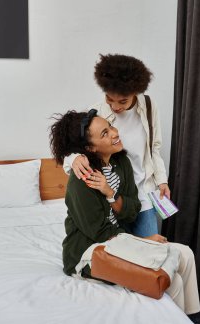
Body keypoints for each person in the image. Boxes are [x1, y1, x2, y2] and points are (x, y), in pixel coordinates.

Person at [50, 109, 200, 315]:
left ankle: (192, 317)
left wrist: (110, 193)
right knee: (171, 280)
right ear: (90, 148)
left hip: (118, 241)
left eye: (110, 127)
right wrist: (145, 241)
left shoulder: (121, 163)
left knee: (186, 255)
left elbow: (132, 212)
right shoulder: (81, 181)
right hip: (90, 253)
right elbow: (100, 234)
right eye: (104, 133)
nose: (114, 133)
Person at [63, 54, 170, 237]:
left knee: (152, 253)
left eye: (122, 101)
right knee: (122, 256)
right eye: (109, 99)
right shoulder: (98, 111)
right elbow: (81, 144)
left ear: (136, 92)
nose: (115, 107)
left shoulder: (149, 107)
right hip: (112, 194)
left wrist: (162, 180)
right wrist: (74, 158)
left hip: (142, 194)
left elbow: (154, 149)